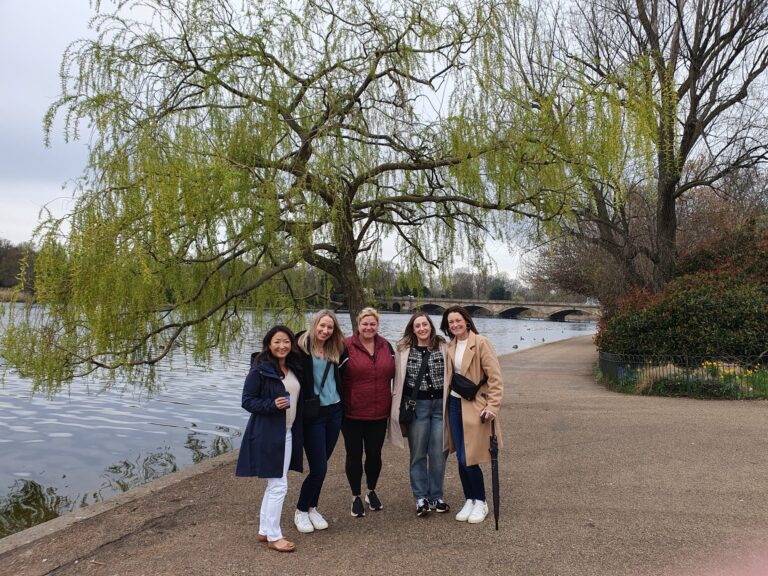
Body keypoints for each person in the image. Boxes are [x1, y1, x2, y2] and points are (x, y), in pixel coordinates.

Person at [235, 325, 303, 553]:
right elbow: (247, 401)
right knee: (279, 485)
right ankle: (275, 536)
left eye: (286, 341)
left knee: (274, 484)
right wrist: (271, 404)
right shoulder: (260, 370)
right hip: (269, 433)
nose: (282, 346)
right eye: (277, 341)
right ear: (269, 344)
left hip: (288, 431)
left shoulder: (293, 366)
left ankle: (264, 530)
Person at [440, 305, 503, 524]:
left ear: (466, 321)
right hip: (454, 404)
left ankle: (481, 501)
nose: (455, 325)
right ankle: (469, 498)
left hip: (475, 405)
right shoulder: (450, 345)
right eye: (451, 322)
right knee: (460, 455)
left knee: (470, 456)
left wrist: (492, 405)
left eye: (458, 320)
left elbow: (495, 377)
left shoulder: (481, 343)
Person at [391, 312, 451, 517]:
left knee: (438, 453)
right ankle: (420, 498)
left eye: (425, 324)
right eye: (417, 326)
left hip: (440, 406)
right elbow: (396, 378)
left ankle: (436, 496)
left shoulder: (443, 345)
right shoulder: (403, 349)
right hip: (417, 407)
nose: (422, 328)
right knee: (417, 454)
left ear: (430, 326)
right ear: (413, 329)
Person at [293, 309, 346, 534]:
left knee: (322, 465)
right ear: (314, 324)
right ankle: (300, 509)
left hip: (335, 411)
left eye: (330, 327)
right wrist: (253, 369)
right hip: (313, 413)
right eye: (322, 326)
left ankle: (312, 507)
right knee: (319, 467)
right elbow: (272, 355)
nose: (325, 330)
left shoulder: (336, 348)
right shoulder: (300, 346)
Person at [339, 307, 396, 517]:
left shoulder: (386, 346)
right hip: (352, 413)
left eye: (373, 324)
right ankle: (355, 495)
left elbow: (398, 373)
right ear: (358, 325)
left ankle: (371, 491)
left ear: (377, 325)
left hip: (379, 413)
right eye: (365, 324)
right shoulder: (346, 346)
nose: (369, 327)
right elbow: (332, 375)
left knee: (374, 455)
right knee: (354, 455)